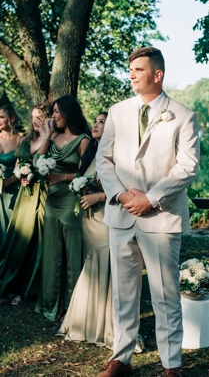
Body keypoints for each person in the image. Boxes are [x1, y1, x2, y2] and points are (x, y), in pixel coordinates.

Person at [96, 46, 200, 377]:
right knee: (123, 293)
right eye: (130, 70)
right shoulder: (117, 111)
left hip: (161, 217)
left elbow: (188, 167)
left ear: (158, 75)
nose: (131, 75)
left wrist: (151, 197)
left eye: (138, 70)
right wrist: (123, 194)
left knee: (165, 296)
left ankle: (171, 366)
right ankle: (121, 358)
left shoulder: (183, 115)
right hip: (122, 215)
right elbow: (103, 159)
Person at [59, 111, 113, 346]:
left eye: (103, 122)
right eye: (96, 121)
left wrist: (97, 197)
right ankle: (86, 322)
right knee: (88, 267)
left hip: (103, 217)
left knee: (103, 264)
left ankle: (104, 326)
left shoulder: (115, 155)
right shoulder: (91, 153)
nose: (96, 124)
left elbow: (123, 189)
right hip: (87, 218)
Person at [37, 95, 91, 322]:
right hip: (52, 201)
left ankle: (73, 306)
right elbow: (38, 161)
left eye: (57, 111)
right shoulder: (54, 136)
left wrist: (61, 177)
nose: (54, 115)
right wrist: (47, 137)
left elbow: (86, 173)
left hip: (70, 200)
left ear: (69, 112)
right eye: (53, 111)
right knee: (51, 251)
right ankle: (52, 304)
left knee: (71, 253)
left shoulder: (83, 139)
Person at [0, 103, 53, 306]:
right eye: (33, 117)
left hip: (44, 193)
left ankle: (32, 289)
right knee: (20, 241)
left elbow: (43, 160)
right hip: (24, 195)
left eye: (39, 117)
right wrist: (21, 174)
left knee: (38, 241)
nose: (35, 121)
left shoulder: (52, 139)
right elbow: (20, 164)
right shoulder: (28, 140)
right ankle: (15, 287)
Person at [0, 105, 23, 235]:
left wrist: (8, 182)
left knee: (11, 227)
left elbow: (24, 166)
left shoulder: (21, 140)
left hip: (14, 188)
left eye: (1, 117)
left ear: (12, 118)